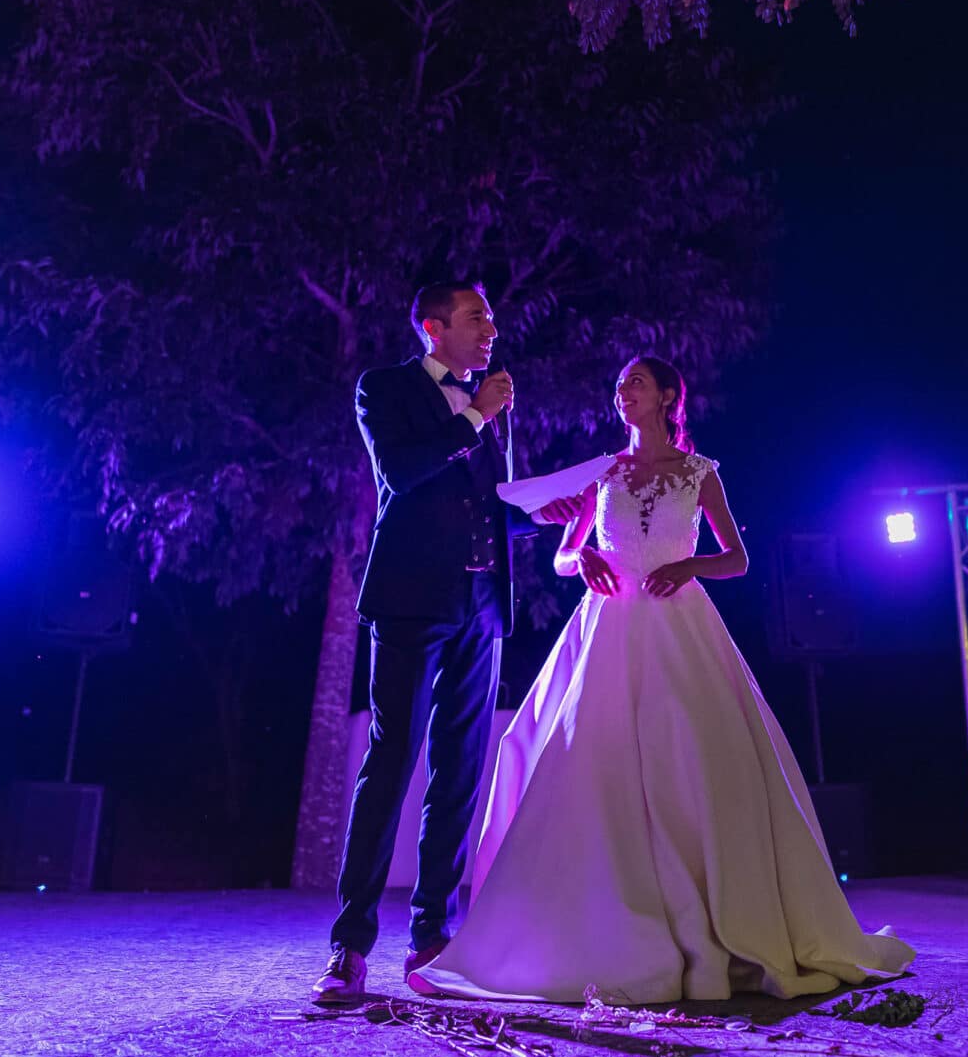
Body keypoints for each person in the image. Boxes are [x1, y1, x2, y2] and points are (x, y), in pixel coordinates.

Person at [409, 356, 914, 1003]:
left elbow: (738, 558)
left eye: (636, 384)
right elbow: (565, 553)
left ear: (668, 397)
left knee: (693, 764)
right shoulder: (604, 472)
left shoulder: (699, 474)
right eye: (619, 385)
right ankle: (591, 924)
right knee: (589, 763)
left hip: (680, 628)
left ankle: (719, 920)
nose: (623, 394)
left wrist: (690, 565)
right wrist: (581, 553)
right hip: (609, 626)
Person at [311, 283, 586, 1005]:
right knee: (392, 757)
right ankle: (350, 944)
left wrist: (539, 513)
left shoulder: (480, 405)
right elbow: (403, 476)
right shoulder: (387, 389)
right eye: (476, 318)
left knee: (460, 770)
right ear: (435, 328)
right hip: (410, 602)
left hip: (481, 607)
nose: (491, 329)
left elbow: (481, 505)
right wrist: (476, 413)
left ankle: (433, 936)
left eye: (490, 318)